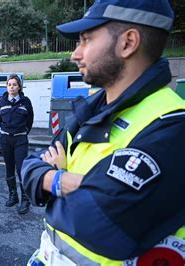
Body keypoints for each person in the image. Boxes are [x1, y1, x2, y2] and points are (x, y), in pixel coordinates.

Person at [22, 0, 185, 265]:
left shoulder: (172, 124)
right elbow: (29, 167)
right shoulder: (92, 109)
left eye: (86, 40)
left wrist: (52, 177)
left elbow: (95, 224)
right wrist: (66, 181)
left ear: (128, 43)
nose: (76, 54)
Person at [0, 74, 34, 214]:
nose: (11, 87)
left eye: (14, 84)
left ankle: (25, 200)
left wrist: (22, 132)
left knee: (21, 169)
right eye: (9, 84)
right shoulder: (2, 101)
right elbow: (0, 120)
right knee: (9, 168)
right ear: (7, 86)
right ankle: (13, 195)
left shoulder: (25, 102)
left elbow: (29, 120)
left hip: (20, 140)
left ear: (19, 87)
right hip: (6, 139)